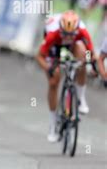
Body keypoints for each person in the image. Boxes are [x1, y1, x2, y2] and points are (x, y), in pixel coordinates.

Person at [36, 11, 97, 142]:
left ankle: (80, 97)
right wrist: (49, 68)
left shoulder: (82, 30)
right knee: (54, 80)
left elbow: (90, 52)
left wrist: (90, 64)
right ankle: (53, 123)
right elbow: (39, 56)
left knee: (82, 55)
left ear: (76, 30)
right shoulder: (53, 33)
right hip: (54, 47)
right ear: (61, 29)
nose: (68, 37)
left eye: (71, 35)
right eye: (66, 34)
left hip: (74, 46)